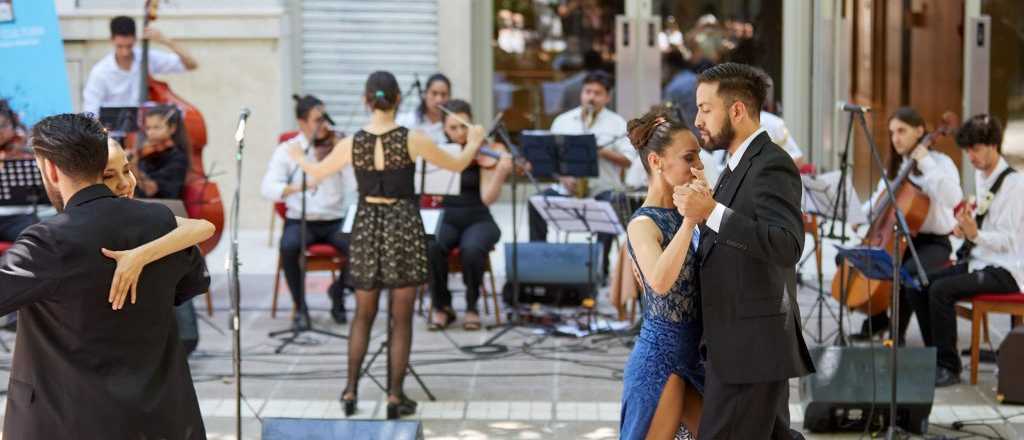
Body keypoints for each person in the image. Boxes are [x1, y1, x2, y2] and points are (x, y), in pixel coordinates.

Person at [288, 71, 485, 419]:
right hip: (403, 224)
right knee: (401, 316)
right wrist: (474, 140)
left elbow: (316, 173)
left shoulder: (350, 143)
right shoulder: (414, 138)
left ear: (367, 100)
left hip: (366, 224)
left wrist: (296, 154)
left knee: (363, 314)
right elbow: (456, 163)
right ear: (398, 100)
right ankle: (395, 397)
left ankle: (350, 391)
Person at [0, 113, 209, 439]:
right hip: (159, 418)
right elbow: (193, 284)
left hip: (68, 422)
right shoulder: (161, 222)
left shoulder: (47, 241)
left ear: (51, 170)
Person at [680, 62, 814, 438]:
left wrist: (712, 212)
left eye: (706, 109)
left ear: (737, 110)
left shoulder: (771, 164)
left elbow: (787, 244)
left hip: (751, 347)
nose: (697, 119)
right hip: (741, 343)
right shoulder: (736, 163)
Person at [905, 114, 1022, 387]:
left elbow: (1008, 241)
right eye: (967, 150)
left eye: (976, 149)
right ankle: (935, 356)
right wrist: (966, 229)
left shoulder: (1015, 185)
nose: (971, 156)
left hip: (1007, 269)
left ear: (994, 145)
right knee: (917, 284)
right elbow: (981, 226)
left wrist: (975, 234)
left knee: (939, 291)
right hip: (980, 261)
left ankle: (949, 366)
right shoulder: (983, 177)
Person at [619, 109, 706, 440]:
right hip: (661, 361)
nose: (698, 165)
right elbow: (659, 280)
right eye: (689, 157)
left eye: (699, 156)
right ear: (656, 161)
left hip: (694, 359)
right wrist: (689, 222)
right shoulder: (643, 224)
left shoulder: (685, 214)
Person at [851, 107, 962, 343]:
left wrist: (926, 163)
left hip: (934, 242)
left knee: (907, 275)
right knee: (868, 263)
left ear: (920, 131)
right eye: (892, 133)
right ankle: (881, 322)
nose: (896, 138)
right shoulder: (899, 166)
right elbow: (879, 198)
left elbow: (954, 198)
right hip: (902, 239)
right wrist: (859, 217)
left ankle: (919, 340)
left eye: (902, 131)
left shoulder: (941, 163)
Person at [528, 71, 635, 282]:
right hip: (568, 189)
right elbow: (550, 159)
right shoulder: (563, 121)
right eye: (587, 92)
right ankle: (539, 262)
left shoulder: (617, 124)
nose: (591, 97)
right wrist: (562, 177)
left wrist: (599, 150)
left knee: (612, 203)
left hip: (602, 189)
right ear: (581, 93)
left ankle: (600, 266)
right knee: (535, 203)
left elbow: (628, 160)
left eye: (597, 93)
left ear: (607, 97)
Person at [261, 94, 356, 326]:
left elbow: (355, 186)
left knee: (362, 248)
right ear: (302, 123)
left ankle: (338, 292)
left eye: (325, 119)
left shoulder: (337, 146)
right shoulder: (288, 150)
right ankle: (300, 307)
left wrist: (346, 159)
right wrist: (296, 188)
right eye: (317, 120)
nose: (324, 125)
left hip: (335, 220)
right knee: (288, 247)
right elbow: (267, 188)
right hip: (300, 220)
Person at [425, 99, 513, 331]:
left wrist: (500, 172)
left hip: (478, 217)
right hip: (447, 216)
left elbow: (487, 198)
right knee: (431, 245)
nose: (460, 133)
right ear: (444, 128)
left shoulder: (485, 152)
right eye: (453, 128)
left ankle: (472, 306)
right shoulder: (439, 153)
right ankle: (442, 306)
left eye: (464, 126)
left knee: (472, 250)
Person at [83, 16, 198, 115]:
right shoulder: (100, 72)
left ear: (135, 39)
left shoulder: (147, 58)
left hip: (148, 133)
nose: (125, 52)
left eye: (129, 46)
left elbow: (191, 64)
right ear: (111, 40)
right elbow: (91, 113)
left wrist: (165, 40)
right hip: (114, 136)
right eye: (120, 46)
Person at [132, 105, 190, 199]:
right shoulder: (145, 154)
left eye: (156, 128)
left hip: (165, 206)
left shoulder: (178, 158)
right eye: (148, 128)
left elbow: (150, 190)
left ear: (172, 128)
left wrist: (133, 166)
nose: (150, 133)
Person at [396, 73, 450, 145]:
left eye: (443, 94)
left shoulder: (453, 125)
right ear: (425, 94)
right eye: (434, 93)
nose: (439, 100)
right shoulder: (406, 120)